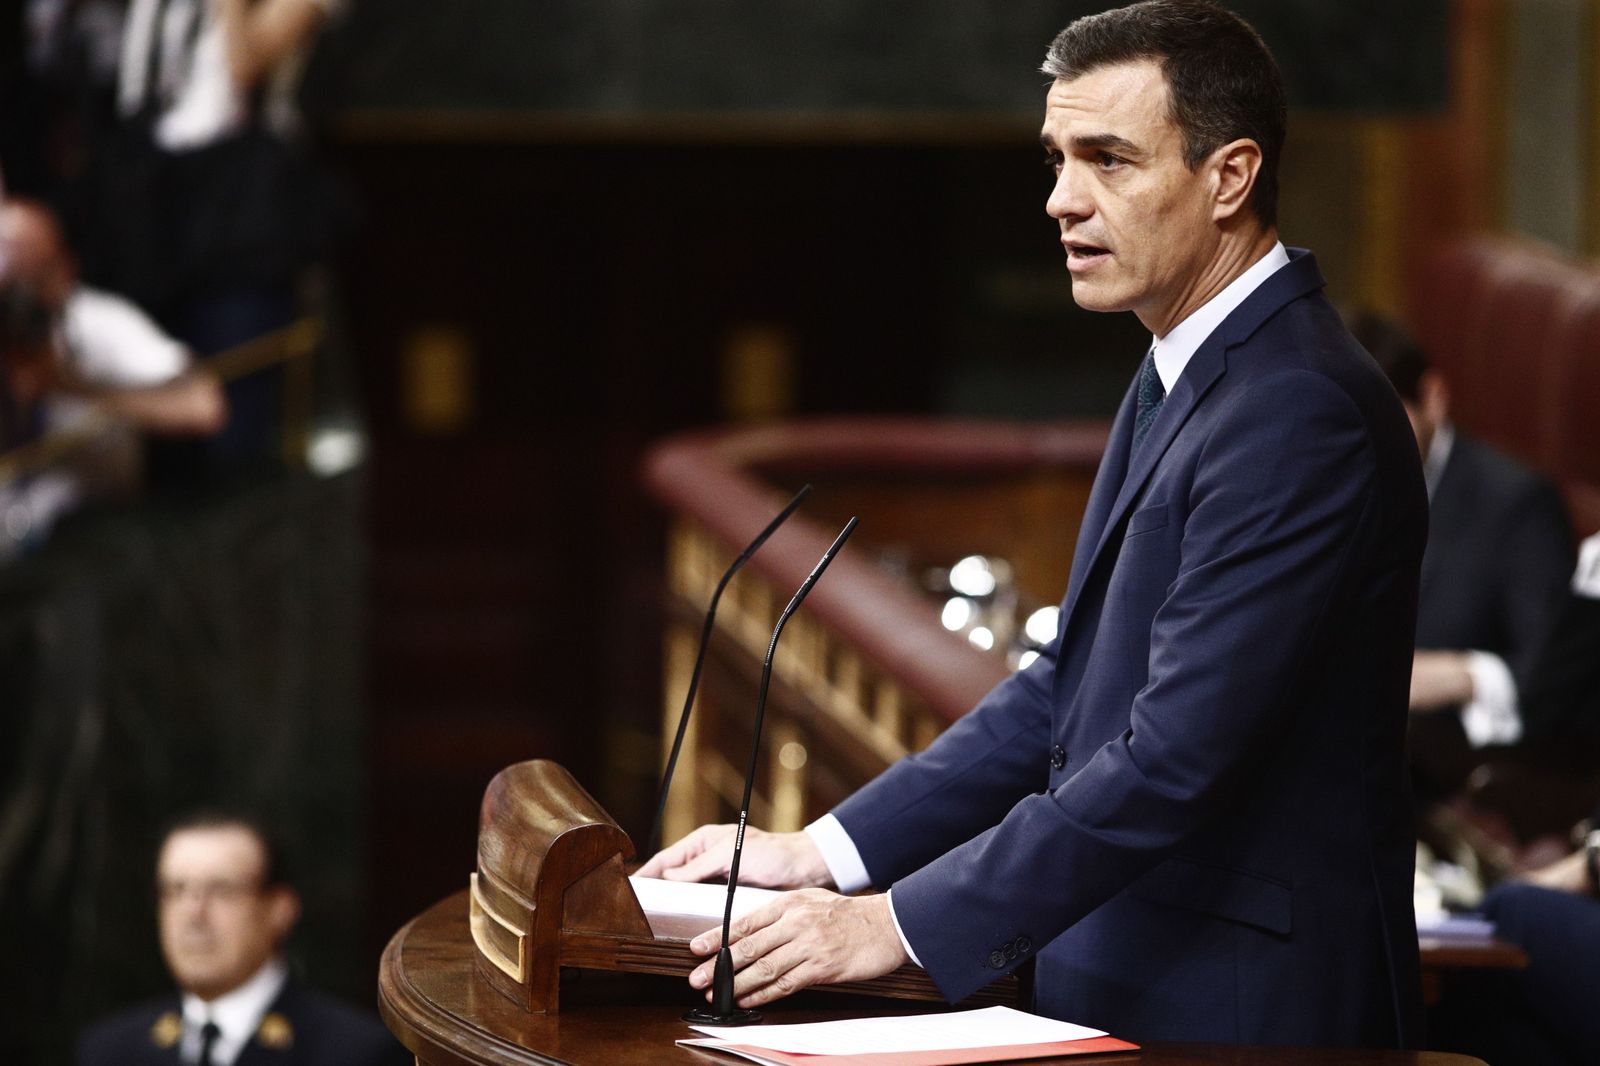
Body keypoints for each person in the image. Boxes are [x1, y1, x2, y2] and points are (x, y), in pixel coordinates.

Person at [640, 0, 1428, 1047]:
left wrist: (895, 922)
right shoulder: (1185, 366)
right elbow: (1069, 688)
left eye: (1109, 159)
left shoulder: (1298, 408)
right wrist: (824, 852)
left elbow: (1173, 759)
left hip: (1242, 1009)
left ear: (1230, 177)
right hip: (1139, 971)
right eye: (1057, 159)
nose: (1061, 199)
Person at [1350, 311, 1574, 785]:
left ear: (1432, 398)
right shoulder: (1318, 485)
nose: (1357, 446)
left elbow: (1556, 679)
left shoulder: (1516, 506)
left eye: (1379, 419)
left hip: (1436, 774)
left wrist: (1460, 674)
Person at [75, 810, 409, 1066]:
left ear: (279, 910)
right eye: (175, 890)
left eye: (221, 890)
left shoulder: (355, 1053)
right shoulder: (108, 1051)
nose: (193, 914)